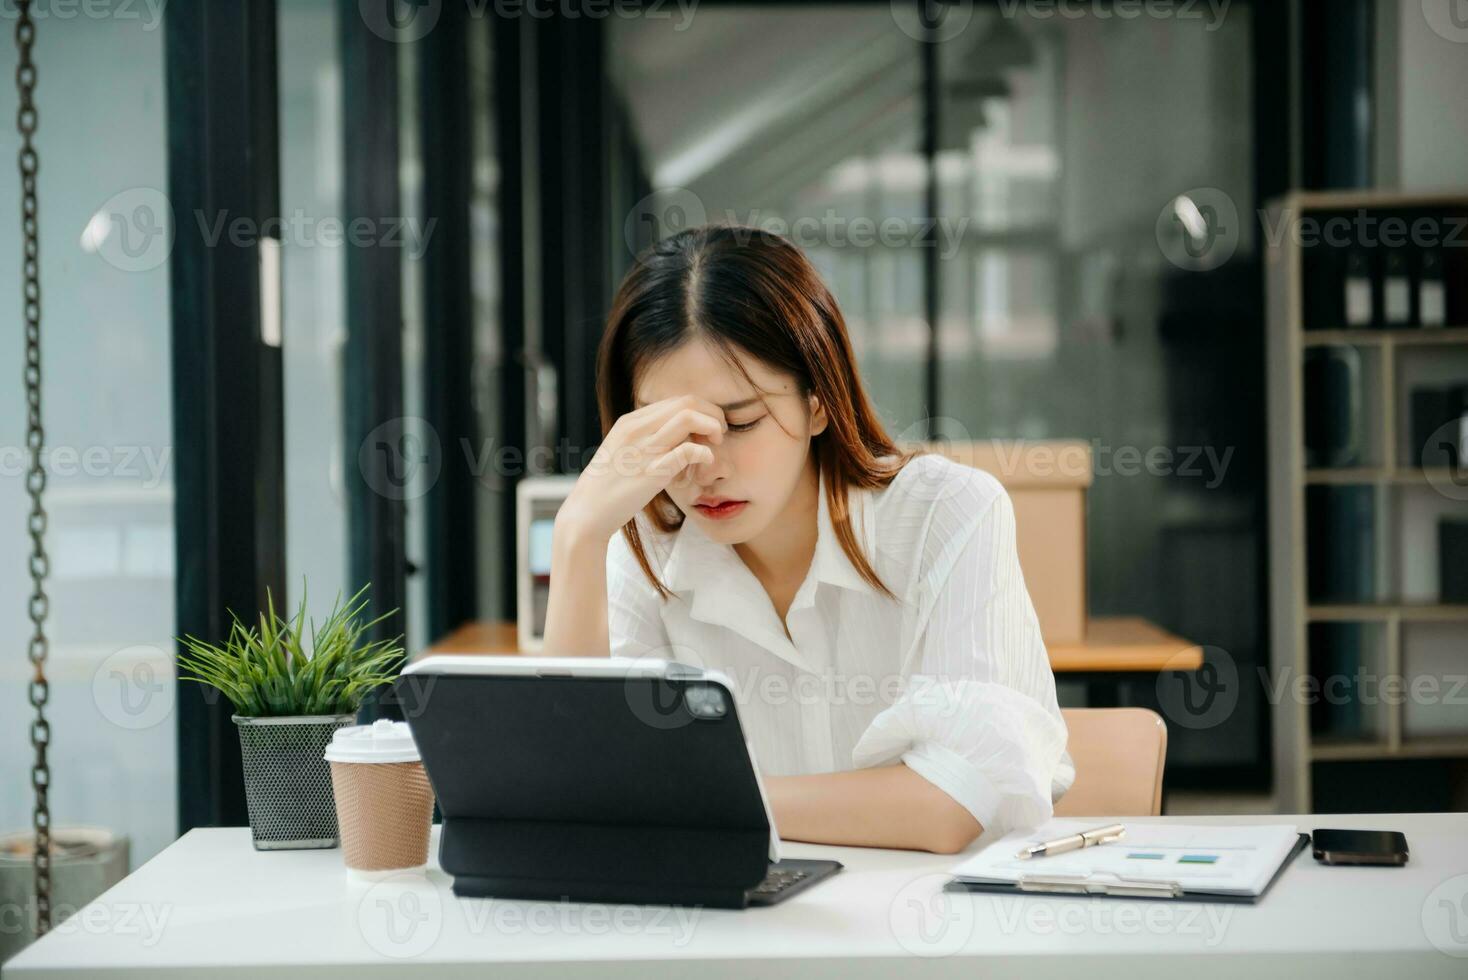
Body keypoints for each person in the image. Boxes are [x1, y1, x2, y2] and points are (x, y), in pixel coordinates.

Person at [544, 225, 1073, 854]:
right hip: (740, 928)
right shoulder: (645, 550)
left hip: (936, 928)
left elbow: (953, 803)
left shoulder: (945, 513)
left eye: (739, 423)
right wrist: (577, 535)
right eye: (669, 433)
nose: (705, 468)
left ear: (817, 404)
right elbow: (573, 790)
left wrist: (695, 797)